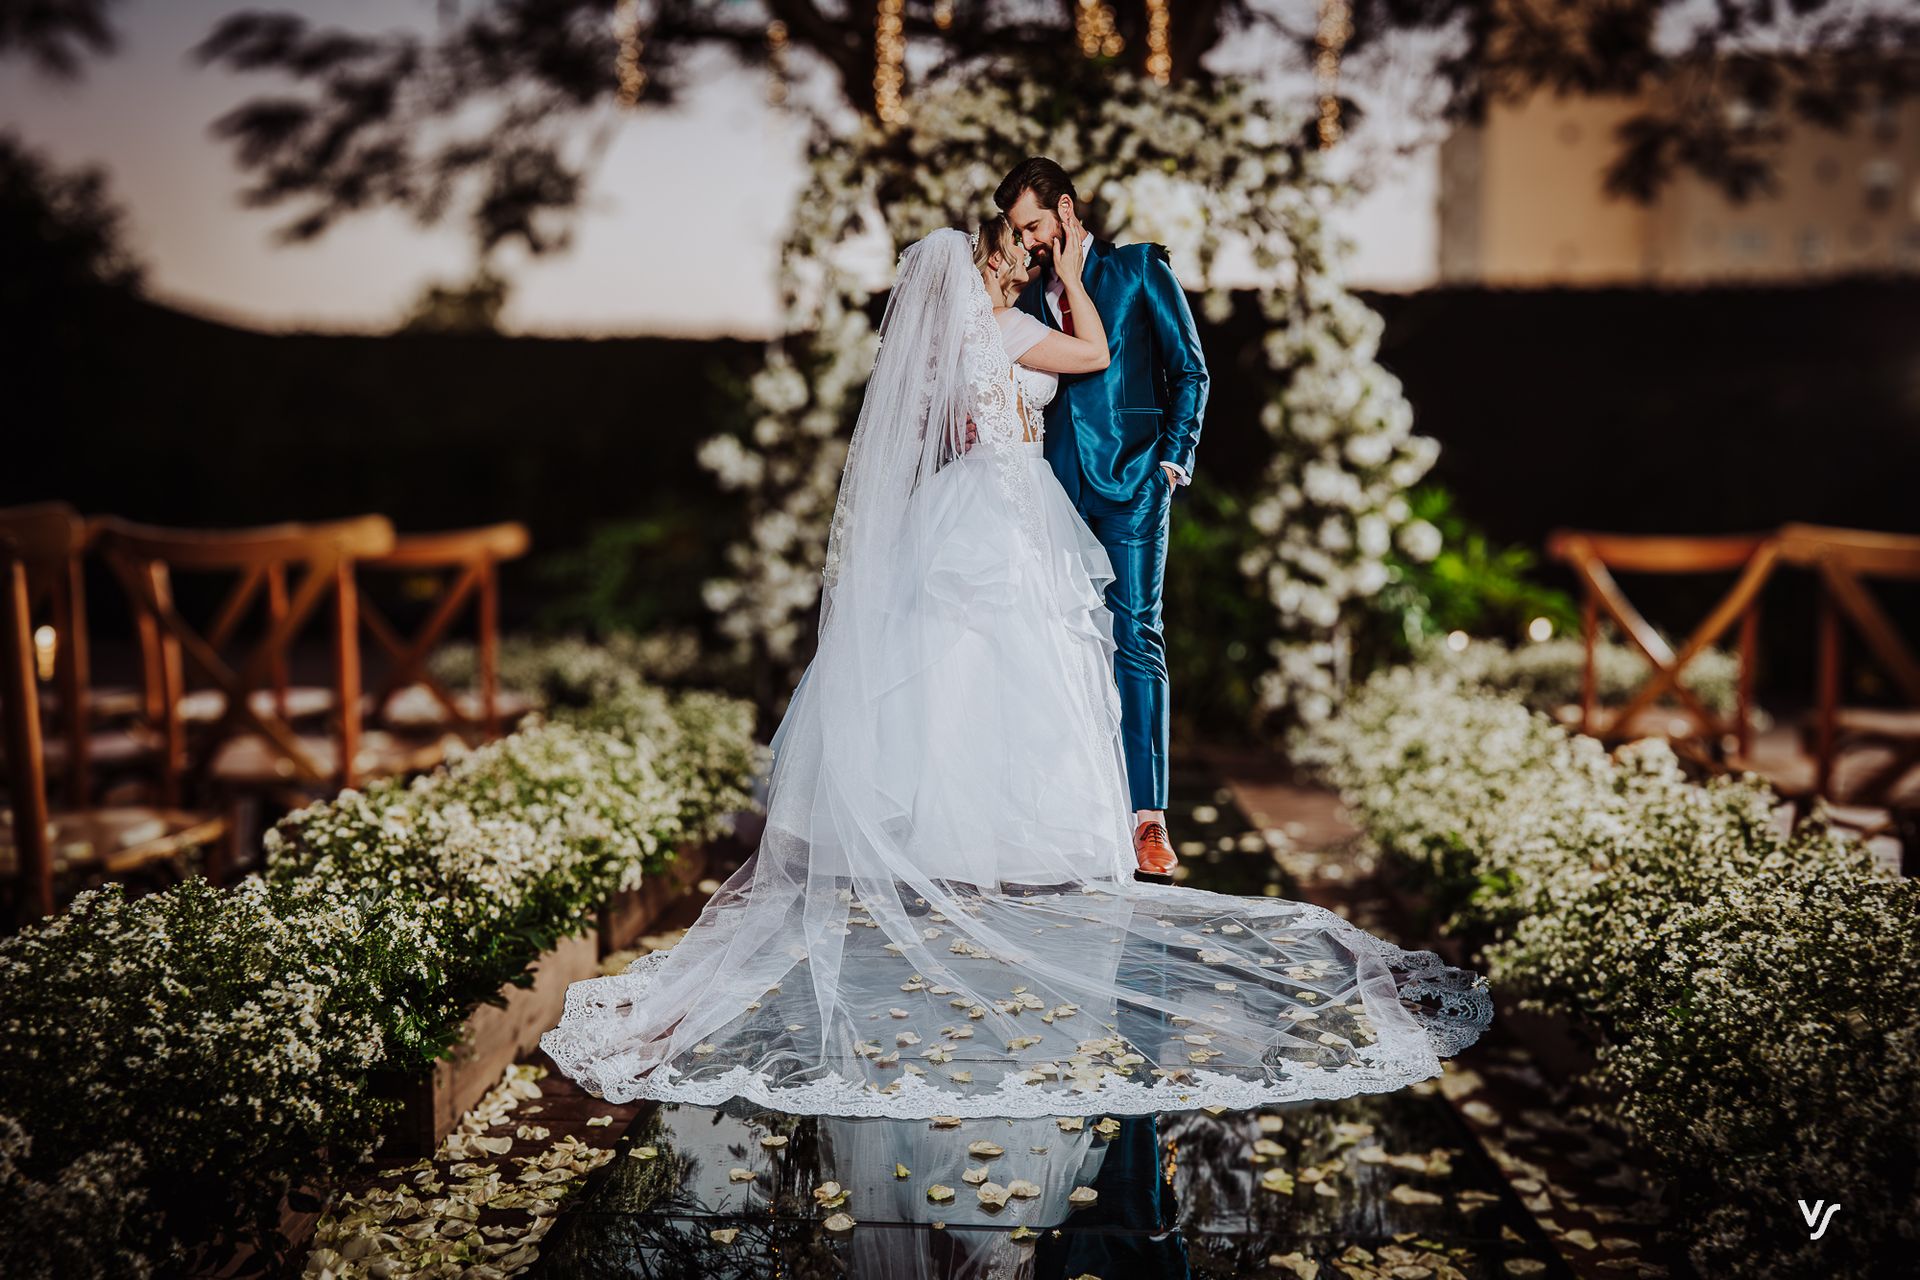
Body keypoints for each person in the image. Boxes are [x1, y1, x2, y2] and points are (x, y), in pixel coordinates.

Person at [539, 225, 1491, 1122]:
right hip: (1012, 501)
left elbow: (937, 427)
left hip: (964, 501)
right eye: (1010, 255)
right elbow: (1094, 360)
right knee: (1017, 663)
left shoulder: (952, 348)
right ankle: (1018, 841)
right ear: (988, 268)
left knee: (953, 669)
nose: (1017, 265)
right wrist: (1073, 280)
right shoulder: (1016, 327)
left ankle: (949, 833)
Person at [997, 157, 1206, 881]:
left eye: (1033, 224)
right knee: (1058, 639)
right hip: (1051, 491)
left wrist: (1172, 461)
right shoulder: (1021, 298)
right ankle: (1076, 805)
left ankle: (1148, 819)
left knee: (1137, 635)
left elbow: (1191, 370)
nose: (1027, 241)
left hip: (1135, 482)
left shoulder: (1142, 267)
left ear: (1066, 208)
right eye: (1018, 232)